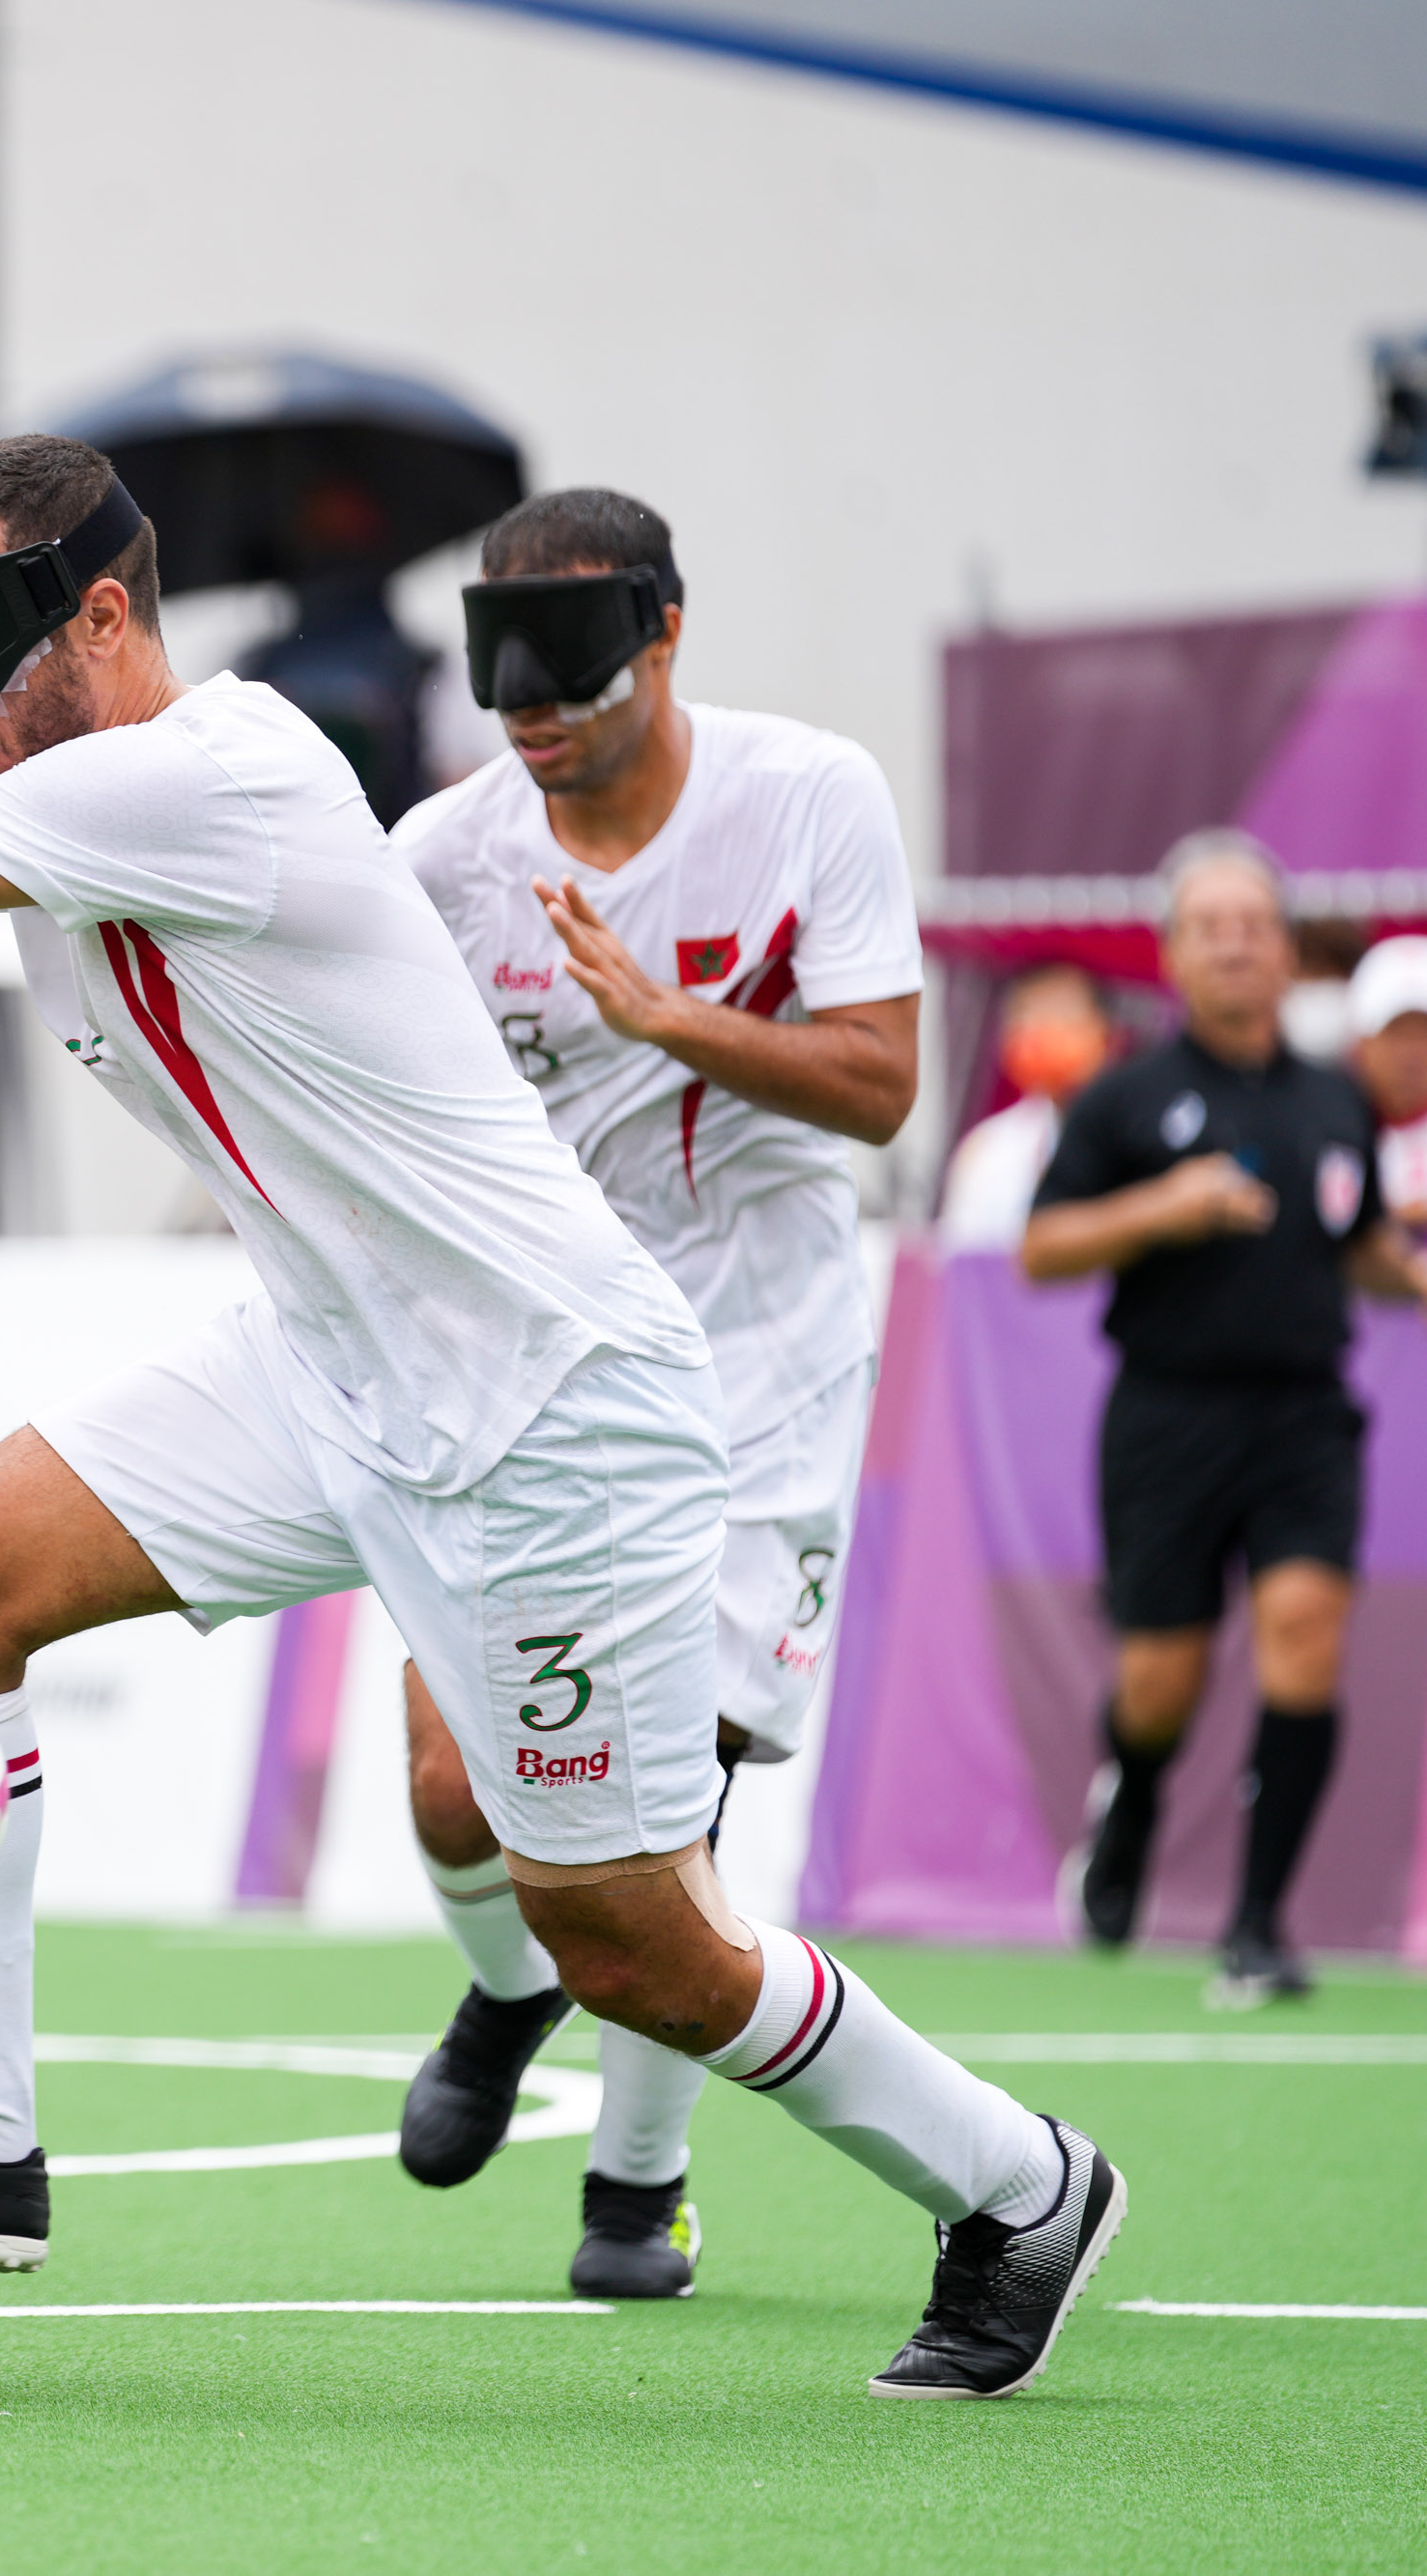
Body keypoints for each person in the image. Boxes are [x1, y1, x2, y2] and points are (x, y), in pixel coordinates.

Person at [0, 429, 1127, 2397]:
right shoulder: (46, 801)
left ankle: (1018, 2184)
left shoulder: (212, 772)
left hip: (545, 1418)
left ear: (100, 614)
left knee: (637, 1947)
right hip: (326, 1365)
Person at [374, 488, 921, 2300]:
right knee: (453, 1786)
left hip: (761, 1361)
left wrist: (666, 1019)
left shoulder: (811, 794)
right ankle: (508, 1986)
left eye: (574, 671)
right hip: (533, 1359)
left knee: (673, 1790)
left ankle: (637, 2187)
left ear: (665, 631)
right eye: (505, 676)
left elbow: (882, 1084)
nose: (534, 712)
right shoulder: (444, 856)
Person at [1022, 835, 1421, 2007]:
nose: (1236, 945)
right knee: (1161, 1682)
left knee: (1304, 1630)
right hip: (1169, 1415)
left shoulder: (1335, 1099)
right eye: (1211, 927)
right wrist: (1164, 1205)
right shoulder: (1125, 1097)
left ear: (1287, 950)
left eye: (1255, 925)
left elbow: (1356, 1243)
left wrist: (1408, 1270)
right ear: (1173, 954)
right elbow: (1042, 1247)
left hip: (1304, 1415)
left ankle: (1256, 1926)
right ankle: (1132, 1801)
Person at [939, 964, 1120, 1249]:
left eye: (1060, 1013)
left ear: (1105, 1033)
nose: (1041, 1031)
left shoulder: (1134, 1138)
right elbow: (961, 1254)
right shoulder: (988, 1147)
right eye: (1025, 1015)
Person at [1347, 935, 1427, 1224]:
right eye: (1395, 1033)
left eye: (1423, 1033)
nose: (1411, 1054)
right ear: (1360, 1044)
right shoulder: (1327, 1128)